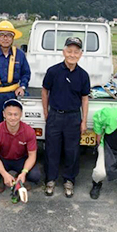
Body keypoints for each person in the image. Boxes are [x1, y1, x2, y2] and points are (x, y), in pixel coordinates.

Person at [42, 37, 90, 198]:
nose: (72, 54)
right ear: (64, 52)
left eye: (76, 52)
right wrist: (46, 112)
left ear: (80, 54)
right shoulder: (53, 71)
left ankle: (69, 180)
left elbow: (85, 98)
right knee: (51, 149)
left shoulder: (83, 75)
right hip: (55, 115)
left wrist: (83, 120)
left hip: (73, 117)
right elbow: (44, 91)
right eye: (69, 51)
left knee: (72, 151)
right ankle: (50, 179)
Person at [0, 21, 31, 128]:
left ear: (13, 38)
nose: (5, 38)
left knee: (13, 124)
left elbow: (26, 73)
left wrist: (22, 86)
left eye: (8, 35)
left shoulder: (19, 54)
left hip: (12, 94)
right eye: (2, 35)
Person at [0, 99, 41, 193]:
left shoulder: (29, 131)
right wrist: (4, 174)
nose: (12, 118)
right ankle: (2, 179)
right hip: (3, 159)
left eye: (16, 114)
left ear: (21, 115)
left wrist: (24, 172)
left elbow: (32, 156)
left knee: (36, 176)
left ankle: (20, 177)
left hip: (21, 159)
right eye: (9, 114)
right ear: (4, 114)